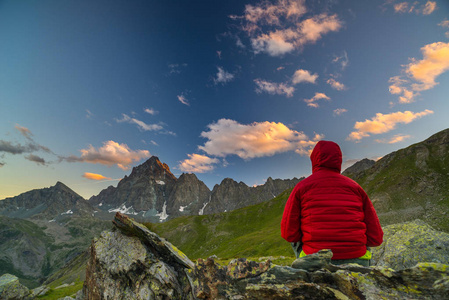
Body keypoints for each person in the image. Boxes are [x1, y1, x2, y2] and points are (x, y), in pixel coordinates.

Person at [281, 140, 383, 266]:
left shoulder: (301, 187)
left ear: (314, 160)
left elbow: (288, 233)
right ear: (338, 161)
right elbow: (376, 238)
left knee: (295, 240)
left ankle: (304, 268)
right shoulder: (356, 188)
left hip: (315, 260)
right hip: (357, 261)